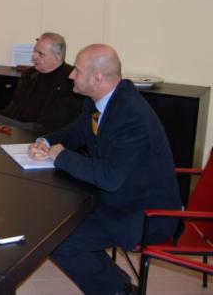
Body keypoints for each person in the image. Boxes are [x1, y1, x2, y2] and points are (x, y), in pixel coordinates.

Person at [28, 44, 181, 295]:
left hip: (145, 212)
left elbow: (110, 177)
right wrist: (45, 142)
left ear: (97, 78)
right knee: (56, 221)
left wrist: (61, 156)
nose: (71, 75)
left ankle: (120, 291)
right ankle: (116, 283)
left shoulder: (131, 116)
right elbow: (77, 132)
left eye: (77, 70)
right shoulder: (99, 100)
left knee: (59, 240)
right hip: (118, 198)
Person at [0, 32, 82, 132]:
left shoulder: (70, 79)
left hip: (41, 131)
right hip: (18, 126)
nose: (34, 57)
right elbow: (13, 108)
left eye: (40, 54)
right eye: (34, 51)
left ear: (57, 58)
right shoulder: (30, 74)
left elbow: (61, 121)